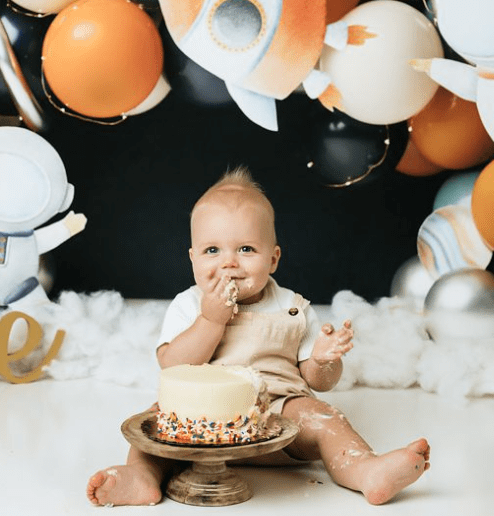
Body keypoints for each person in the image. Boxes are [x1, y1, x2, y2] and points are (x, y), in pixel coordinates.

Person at [86, 167, 430, 507]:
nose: (229, 263)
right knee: (154, 423)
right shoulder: (189, 305)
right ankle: (141, 478)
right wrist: (210, 320)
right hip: (201, 423)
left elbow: (319, 382)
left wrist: (325, 361)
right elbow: (172, 366)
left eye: (246, 249)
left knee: (325, 417)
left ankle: (365, 469)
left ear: (273, 259)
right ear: (192, 259)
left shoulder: (292, 307)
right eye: (212, 251)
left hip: (280, 420)